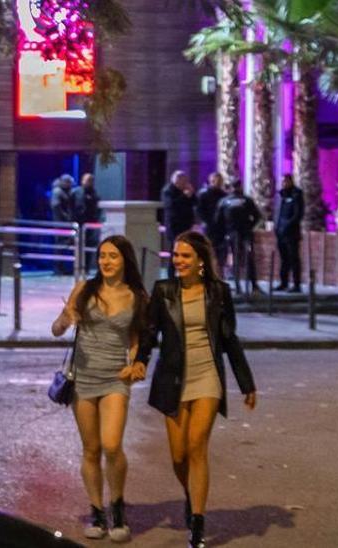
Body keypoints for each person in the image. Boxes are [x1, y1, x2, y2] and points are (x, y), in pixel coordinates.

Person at [130, 231, 257, 548]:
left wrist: (246, 383)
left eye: (185, 256)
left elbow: (229, 339)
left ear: (201, 260)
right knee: (178, 456)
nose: (179, 261)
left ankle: (198, 523)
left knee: (197, 445)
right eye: (175, 255)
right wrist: (141, 360)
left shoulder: (218, 292)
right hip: (172, 378)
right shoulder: (164, 291)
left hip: (207, 376)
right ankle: (192, 494)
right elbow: (149, 333)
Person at [51, 235, 148, 542]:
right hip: (83, 379)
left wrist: (133, 364)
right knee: (91, 449)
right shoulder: (85, 289)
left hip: (115, 380)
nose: (106, 261)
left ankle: (117, 507)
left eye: (113, 256)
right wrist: (67, 315)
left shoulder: (136, 296)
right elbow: (56, 330)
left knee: (111, 445)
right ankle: (97, 511)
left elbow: (135, 339)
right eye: (102, 256)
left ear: (125, 261)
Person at [215, 185, 263, 293]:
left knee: (237, 259)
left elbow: (218, 220)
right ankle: (252, 285)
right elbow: (257, 216)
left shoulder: (225, 201)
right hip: (243, 233)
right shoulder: (245, 200)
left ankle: (239, 286)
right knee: (248, 258)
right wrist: (250, 226)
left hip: (233, 233)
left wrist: (224, 232)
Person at [162, 171, 198, 278]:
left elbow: (195, 203)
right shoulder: (168, 191)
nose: (185, 184)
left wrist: (192, 194)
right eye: (183, 181)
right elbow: (171, 205)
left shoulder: (186, 191)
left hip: (186, 226)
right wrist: (184, 196)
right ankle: (171, 277)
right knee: (175, 252)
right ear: (177, 181)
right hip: (174, 227)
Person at [273, 174, 305, 292]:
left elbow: (298, 214)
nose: (284, 184)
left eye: (286, 181)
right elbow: (278, 212)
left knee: (294, 259)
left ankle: (297, 285)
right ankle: (283, 282)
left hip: (291, 233)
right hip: (280, 233)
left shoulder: (296, 194)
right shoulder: (281, 194)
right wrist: (276, 227)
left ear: (291, 181)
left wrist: (287, 226)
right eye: (282, 182)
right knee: (284, 259)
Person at [195, 173, 228, 274]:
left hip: (221, 228)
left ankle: (220, 275)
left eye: (219, 181)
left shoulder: (224, 195)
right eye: (214, 181)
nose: (217, 183)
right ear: (210, 181)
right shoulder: (203, 194)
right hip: (208, 228)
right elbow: (199, 210)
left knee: (221, 254)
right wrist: (206, 222)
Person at [72, 173, 102, 275]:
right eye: (87, 180)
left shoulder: (94, 194)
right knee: (76, 247)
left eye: (91, 180)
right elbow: (70, 206)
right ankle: (76, 268)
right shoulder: (76, 192)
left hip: (90, 225)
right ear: (82, 180)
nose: (89, 182)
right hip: (78, 224)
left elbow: (97, 208)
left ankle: (86, 268)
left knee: (88, 247)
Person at [50, 174, 77, 275]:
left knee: (65, 245)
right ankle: (58, 268)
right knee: (60, 245)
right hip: (60, 223)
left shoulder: (65, 191)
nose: (70, 185)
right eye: (69, 183)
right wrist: (65, 217)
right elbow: (56, 207)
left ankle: (63, 267)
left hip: (65, 223)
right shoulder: (57, 192)